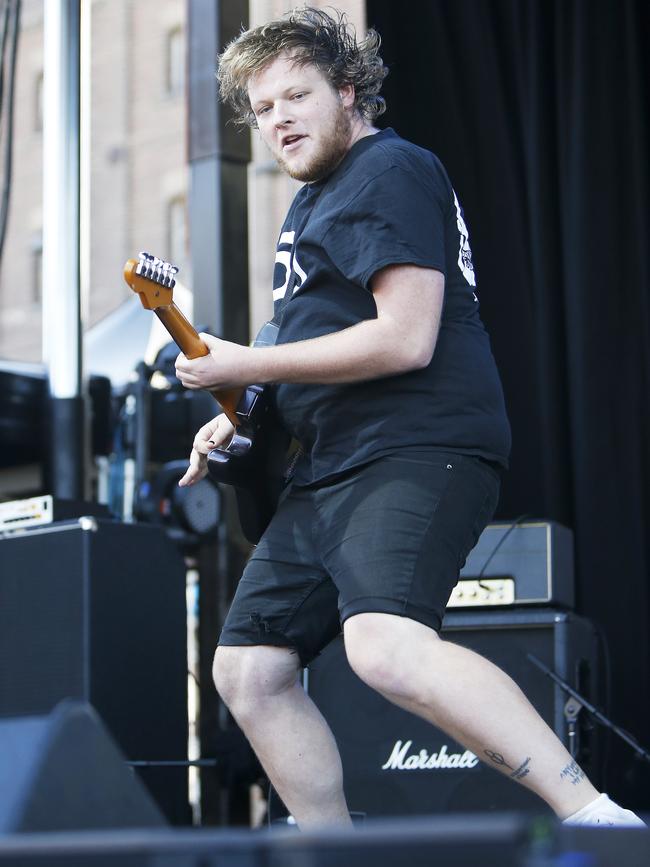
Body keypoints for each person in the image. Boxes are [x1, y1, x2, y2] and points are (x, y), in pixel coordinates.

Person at [175, 7, 644, 830]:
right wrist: (240, 406)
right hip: (331, 463)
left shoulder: (385, 171)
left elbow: (405, 337)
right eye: (263, 107)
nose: (277, 118)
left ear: (350, 91)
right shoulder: (313, 203)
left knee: (385, 648)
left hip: (417, 444)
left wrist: (244, 361)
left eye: (296, 95)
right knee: (248, 670)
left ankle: (597, 818)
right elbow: (307, 343)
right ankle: (335, 850)